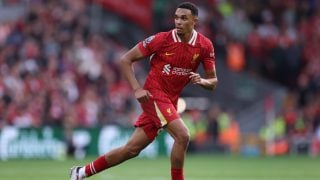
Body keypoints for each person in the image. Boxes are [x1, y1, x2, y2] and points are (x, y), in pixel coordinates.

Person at [70, 2, 218, 180]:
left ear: (195, 21)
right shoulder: (162, 39)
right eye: (176, 18)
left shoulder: (205, 45)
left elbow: (213, 81)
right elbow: (125, 60)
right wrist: (137, 88)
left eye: (184, 18)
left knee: (131, 150)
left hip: (170, 100)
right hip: (153, 94)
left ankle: (81, 172)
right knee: (183, 135)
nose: (178, 21)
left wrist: (202, 81)